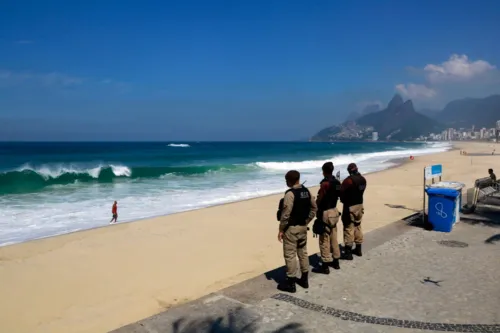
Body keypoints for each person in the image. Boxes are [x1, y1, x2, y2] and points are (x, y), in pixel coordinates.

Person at [277, 170, 317, 293]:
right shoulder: (306, 191)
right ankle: (304, 279)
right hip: (303, 227)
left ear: (290, 180)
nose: (286, 182)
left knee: (290, 255)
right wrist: (307, 221)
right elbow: (314, 208)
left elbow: (285, 214)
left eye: (286, 180)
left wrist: (281, 229)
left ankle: (291, 283)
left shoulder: (290, 194)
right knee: (303, 252)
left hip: (292, 229)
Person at [313, 162, 342, 274]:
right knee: (334, 237)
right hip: (334, 211)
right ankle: (336, 261)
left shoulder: (325, 184)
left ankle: (325, 266)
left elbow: (320, 199)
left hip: (325, 212)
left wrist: (315, 204)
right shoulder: (337, 182)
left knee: (324, 239)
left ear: (324, 171)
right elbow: (340, 194)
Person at [340, 163, 367, 260]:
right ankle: (358, 249)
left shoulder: (348, 181)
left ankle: (348, 252)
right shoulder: (363, 179)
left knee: (348, 228)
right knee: (358, 226)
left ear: (349, 171)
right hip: (360, 205)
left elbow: (342, 192)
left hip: (350, 206)